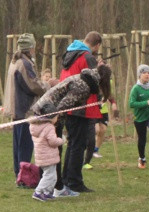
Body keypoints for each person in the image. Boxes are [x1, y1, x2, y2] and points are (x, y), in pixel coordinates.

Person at [30, 64, 107, 198]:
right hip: (50, 112)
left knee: (52, 153)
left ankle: (54, 187)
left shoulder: (83, 78)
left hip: (47, 109)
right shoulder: (83, 86)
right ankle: (50, 189)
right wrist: (55, 121)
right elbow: (63, 106)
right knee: (53, 153)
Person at [59, 31, 101, 194]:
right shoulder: (87, 57)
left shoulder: (70, 54)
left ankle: (67, 178)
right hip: (82, 106)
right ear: (97, 45)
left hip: (69, 104)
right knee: (78, 145)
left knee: (73, 144)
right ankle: (74, 181)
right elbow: (93, 81)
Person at [4, 33, 48, 178]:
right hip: (24, 109)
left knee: (18, 144)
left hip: (17, 109)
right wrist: (47, 86)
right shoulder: (24, 63)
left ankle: (19, 173)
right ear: (30, 48)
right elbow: (33, 85)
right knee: (25, 145)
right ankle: (23, 177)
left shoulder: (15, 61)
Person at [129, 64, 149, 169]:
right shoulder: (136, 89)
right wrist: (146, 103)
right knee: (142, 139)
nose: (147, 75)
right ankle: (142, 158)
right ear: (139, 75)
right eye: (144, 73)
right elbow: (132, 104)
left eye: (148, 73)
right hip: (139, 117)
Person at [29, 106, 65, 202]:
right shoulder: (49, 127)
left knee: (51, 175)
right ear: (52, 117)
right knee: (50, 176)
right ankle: (38, 192)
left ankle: (47, 192)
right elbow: (52, 141)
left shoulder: (35, 126)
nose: (57, 119)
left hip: (41, 156)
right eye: (56, 117)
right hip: (48, 156)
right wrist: (61, 140)